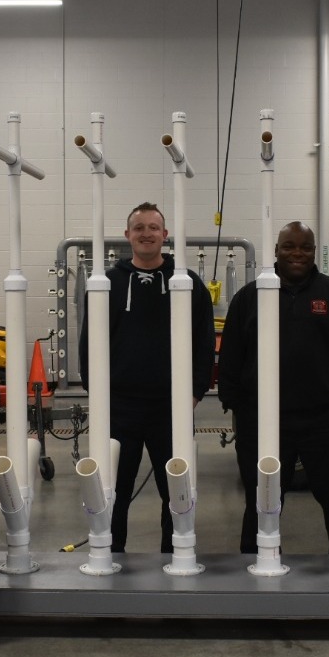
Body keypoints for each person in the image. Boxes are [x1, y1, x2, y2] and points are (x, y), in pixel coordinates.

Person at [78, 202, 215, 553]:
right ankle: (110, 554)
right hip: (119, 407)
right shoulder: (107, 283)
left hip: (171, 408)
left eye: (153, 227)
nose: (146, 233)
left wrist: (196, 392)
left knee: (175, 488)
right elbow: (89, 344)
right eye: (139, 227)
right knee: (114, 488)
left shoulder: (187, 284)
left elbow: (204, 342)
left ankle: (175, 555)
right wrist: (99, 396)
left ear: (164, 235)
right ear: (127, 236)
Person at [219, 221, 329, 554]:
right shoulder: (251, 297)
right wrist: (233, 402)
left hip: (324, 421)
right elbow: (232, 352)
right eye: (289, 246)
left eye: (305, 247)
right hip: (263, 422)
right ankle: (256, 563)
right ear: (276, 250)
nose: (297, 254)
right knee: (262, 499)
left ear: (314, 251)